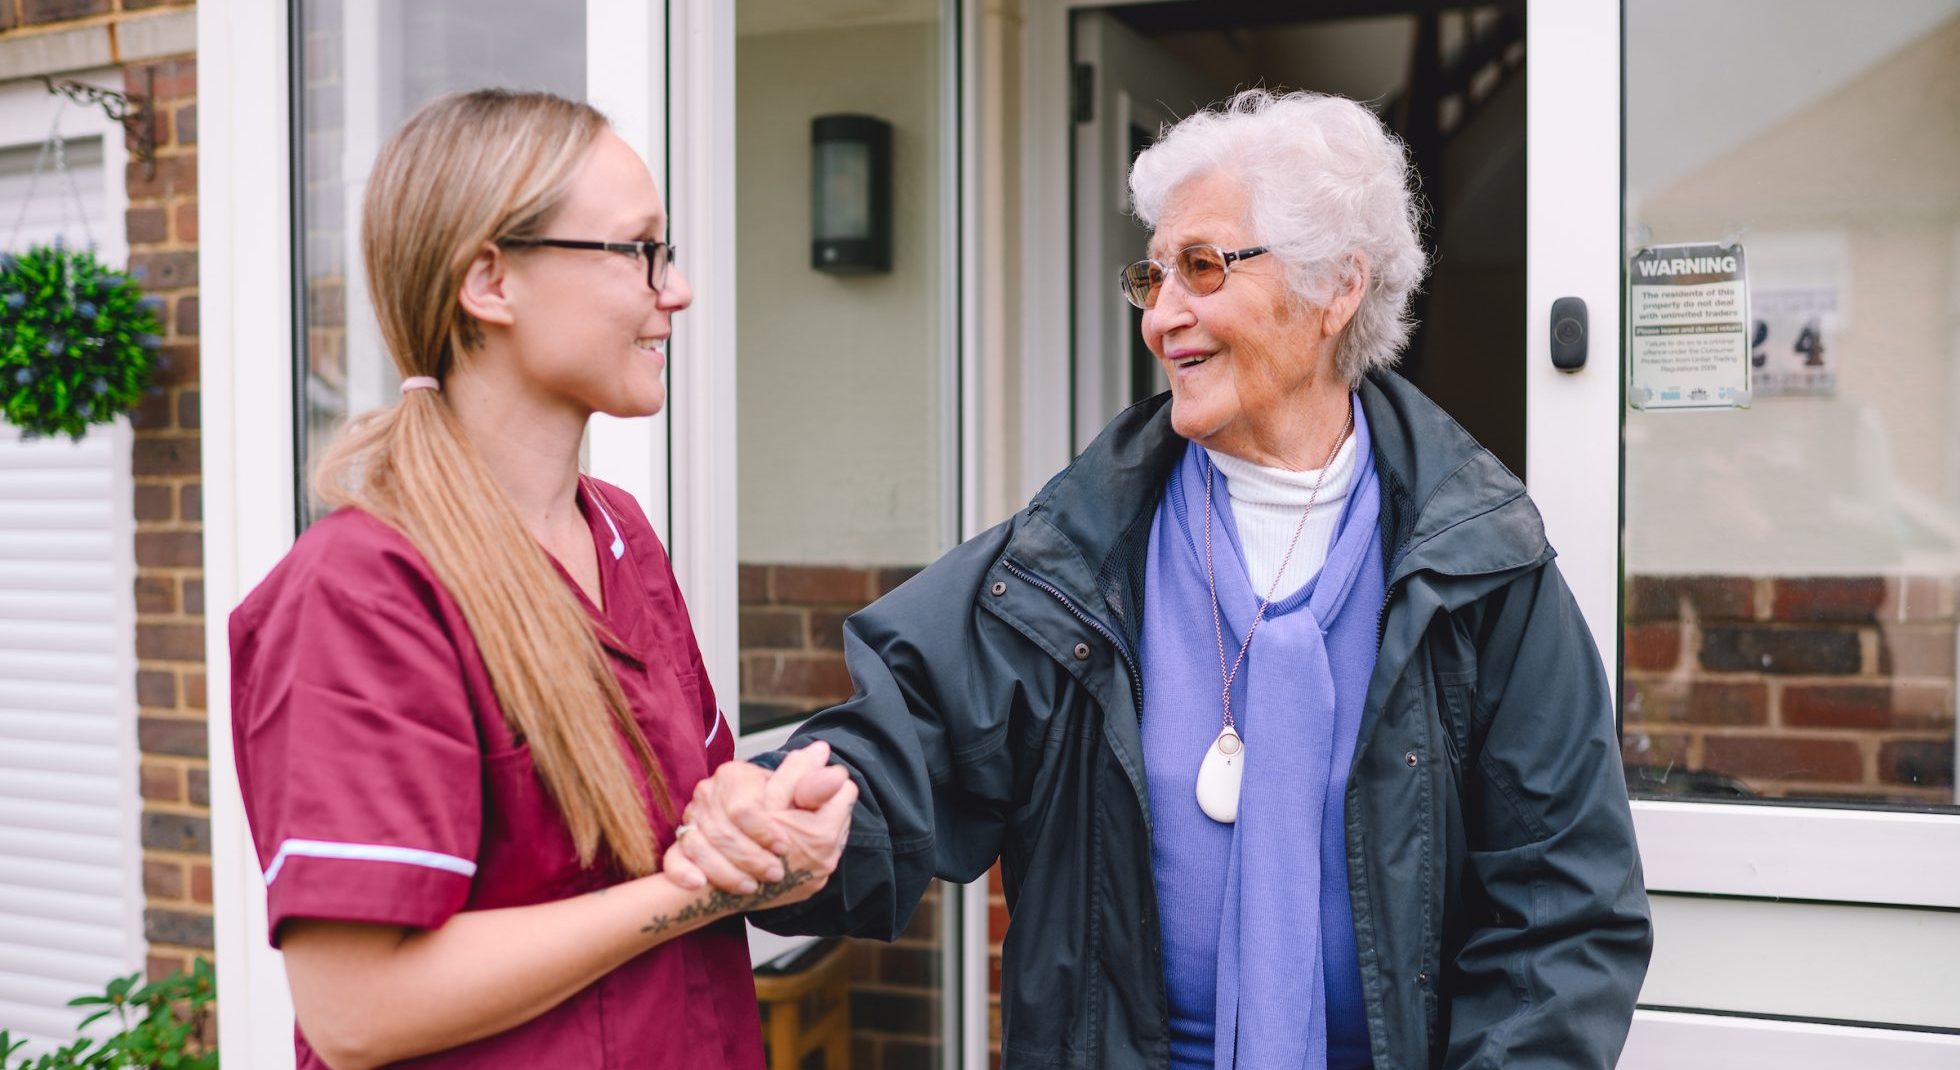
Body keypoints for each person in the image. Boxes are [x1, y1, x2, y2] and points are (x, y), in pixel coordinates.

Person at [668, 90, 1652, 1069]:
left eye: (1203, 268)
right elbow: (900, 741)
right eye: (1155, 274)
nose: (1161, 316)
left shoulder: (1484, 566)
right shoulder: (1070, 554)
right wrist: (792, 810)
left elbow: (1562, 912)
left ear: (1336, 288)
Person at [227, 89, 855, 1070]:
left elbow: (699, 804)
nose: (676, 288)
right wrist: (696, 889)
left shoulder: (621, 535)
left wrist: (755, 821)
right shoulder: (363, 591)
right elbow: (357, 1008)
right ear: (490, 278)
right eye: (639, 250)